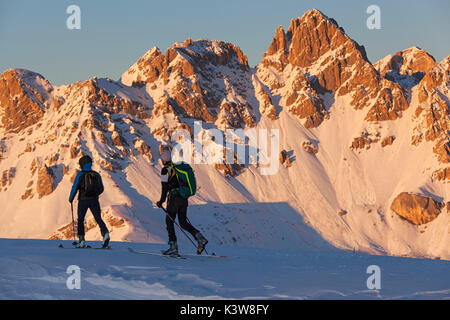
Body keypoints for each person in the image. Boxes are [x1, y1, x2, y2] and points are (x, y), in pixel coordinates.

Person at [156, 149, 208, 255]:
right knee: (183, 223)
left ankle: (173, 247)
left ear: (163, 159)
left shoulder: (166, 170)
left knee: (169, 221)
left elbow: (164, 187)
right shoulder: (177, 168)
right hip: (183, 198)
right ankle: (200, 238)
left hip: (174, 198)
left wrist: (161, 201)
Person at [69, 155, 110, 248]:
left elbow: (74, 187)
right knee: (98, 218)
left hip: (83, 200)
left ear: (82, 164)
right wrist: (95, 194)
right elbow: (101, 188)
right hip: (94, 200)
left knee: (80, 220)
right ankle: (105, 234)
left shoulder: (80, 174)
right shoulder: (96, 174)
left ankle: (81, 240)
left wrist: (71, 198)